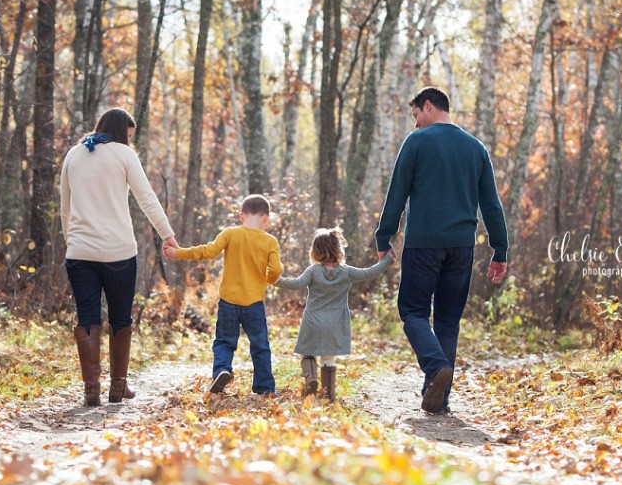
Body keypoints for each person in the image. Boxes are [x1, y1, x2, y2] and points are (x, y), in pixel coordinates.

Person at [375, 87, 509, 414]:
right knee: (448, 321)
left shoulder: (417, 142)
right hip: (462, 247)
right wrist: (500, 249)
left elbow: (396, 195)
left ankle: (435, 368)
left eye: (416, 114)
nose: (417, 122)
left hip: (423, 244)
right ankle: (439, 398)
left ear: (429, 106)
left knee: (412, 310)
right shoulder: (475, 148)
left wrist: (384, 238)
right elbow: (491, 205)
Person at [60, 107, 178, 407]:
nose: (129, 140)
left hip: (79, 252)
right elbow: (146, 199)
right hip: (119, 252)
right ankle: (118, 386)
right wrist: (167, 234)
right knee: (120, 317)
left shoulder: (74, 155)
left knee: (87, 316)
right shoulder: (125, 155)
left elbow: (66, 207)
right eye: (128, 135)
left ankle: (91, 389)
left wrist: (71, 241)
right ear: (121, 131)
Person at [163, 195, 283, 396]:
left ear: (241, 216)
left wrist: (179, 252)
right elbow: (277, 269)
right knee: (260, 346)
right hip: (254, 303)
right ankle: (264, 388)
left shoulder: (231, 233)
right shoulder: (270, 241)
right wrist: (268, 279)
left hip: (228, 302)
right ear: (267, 218)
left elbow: (208, 251)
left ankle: (222, 370)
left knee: (224, 342)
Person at [276, 228, 393, 402]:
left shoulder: (313, 271)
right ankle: (329, 395)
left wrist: (274, 279)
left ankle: (311, 380)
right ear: (338, 249)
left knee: (307, 353)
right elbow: (370, 272)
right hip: (336, 322)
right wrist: (388, 259)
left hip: (313, 320)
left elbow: (296, 284)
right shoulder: (346, 271)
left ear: (315, 251)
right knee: (328, 357)